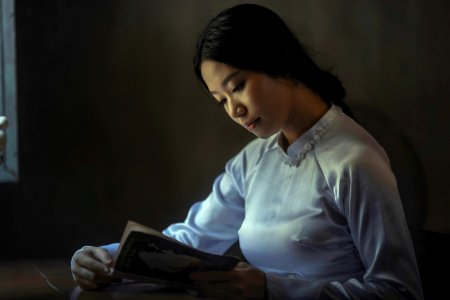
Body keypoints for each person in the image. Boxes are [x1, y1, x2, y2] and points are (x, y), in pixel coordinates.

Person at [71, 4, 423, 299]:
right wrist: (106, 258)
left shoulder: (355, 161)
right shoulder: (252, 161)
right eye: (221, 100)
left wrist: (273, 288)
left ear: (280, 62)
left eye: (237, 86)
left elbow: (397, 291)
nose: (233, 110)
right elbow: (192, 240)